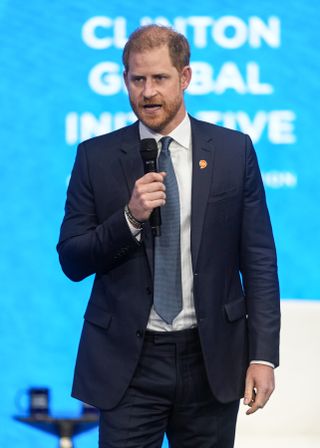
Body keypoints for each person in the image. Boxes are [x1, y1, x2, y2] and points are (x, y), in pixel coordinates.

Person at [57, 25, 280, 448]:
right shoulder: (96, 156)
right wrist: (130, 217)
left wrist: (263, 355)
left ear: (185, 78)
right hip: (128, 363)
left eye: (160, 78)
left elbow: (260, 260)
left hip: (211, 357)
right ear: (125, 80)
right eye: (137, 79)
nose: (148, 92)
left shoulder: (234, 151)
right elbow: (71, 259)